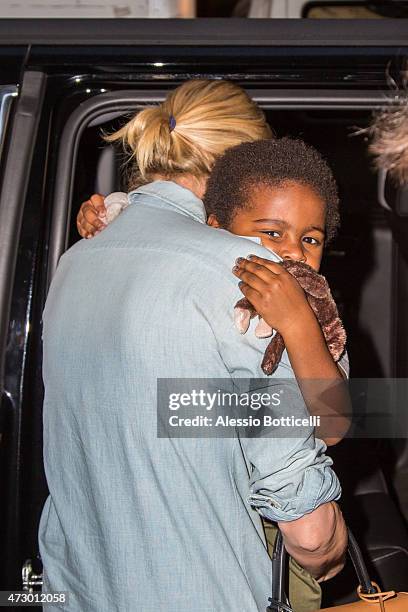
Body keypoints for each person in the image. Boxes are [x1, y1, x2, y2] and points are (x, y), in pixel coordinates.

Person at [40, 79, 347, 612]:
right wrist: (335, 554)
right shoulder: (258, 283)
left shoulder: (77, 259)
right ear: (239, 171)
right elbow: (310, 532)